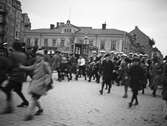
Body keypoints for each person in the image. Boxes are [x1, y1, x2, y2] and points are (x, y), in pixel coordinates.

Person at [19, 49, 53, 121]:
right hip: (35, 84)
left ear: (42, 57)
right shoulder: (36, 64)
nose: (37, 57)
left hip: (41, 84)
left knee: (33, 98)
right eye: (37, 56)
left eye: (39, 56)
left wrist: (47, 80)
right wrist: (22, 67)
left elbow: (49, 73)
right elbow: (30, 67)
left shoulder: (45, 64)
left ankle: (29, 114)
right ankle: (40, 109)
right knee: (34, 98)